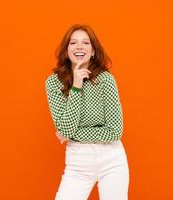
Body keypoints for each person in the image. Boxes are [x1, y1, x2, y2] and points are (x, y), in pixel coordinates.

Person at [45, 24, 130, 200]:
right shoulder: (53, 83)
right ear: (66, 50)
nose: (79, 47)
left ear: (92, 51)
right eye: (73, 43)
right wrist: (76, 85)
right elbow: (66, 129)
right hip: (78, 162)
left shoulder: (106, 80)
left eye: (85, 42)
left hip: (112, 159)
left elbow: (115, 131)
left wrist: (72, 134)